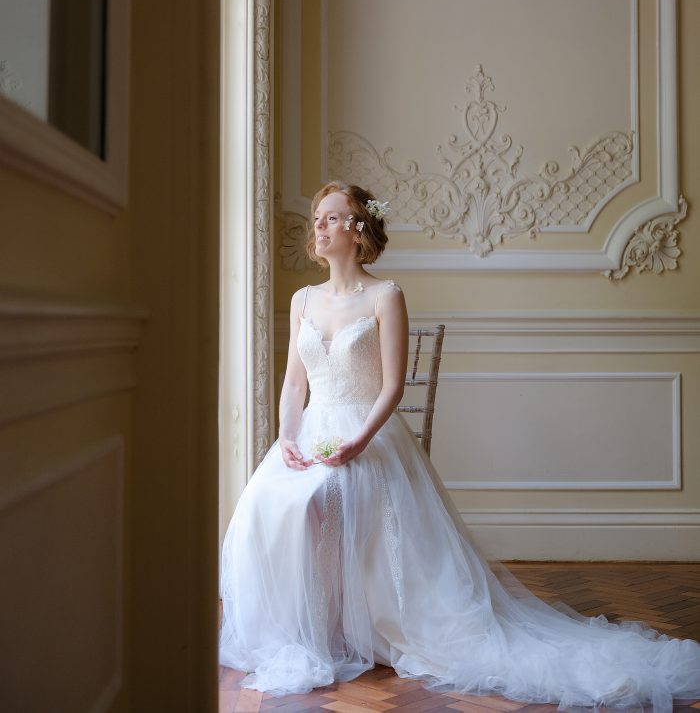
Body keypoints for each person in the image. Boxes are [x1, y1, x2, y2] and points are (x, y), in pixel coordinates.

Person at [219, 181, 700, 710]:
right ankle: (312, 628)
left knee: (324, 499)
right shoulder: (303, 299)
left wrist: (358, 441)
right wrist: (287, 438)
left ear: (358, 231)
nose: (320, 226)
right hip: (310, 432)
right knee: (265, 504)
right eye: (318, 218)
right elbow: (293, 384)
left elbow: (392, 387)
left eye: (333, 218)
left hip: (368, 435)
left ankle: (358, 623)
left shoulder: (386, 296)